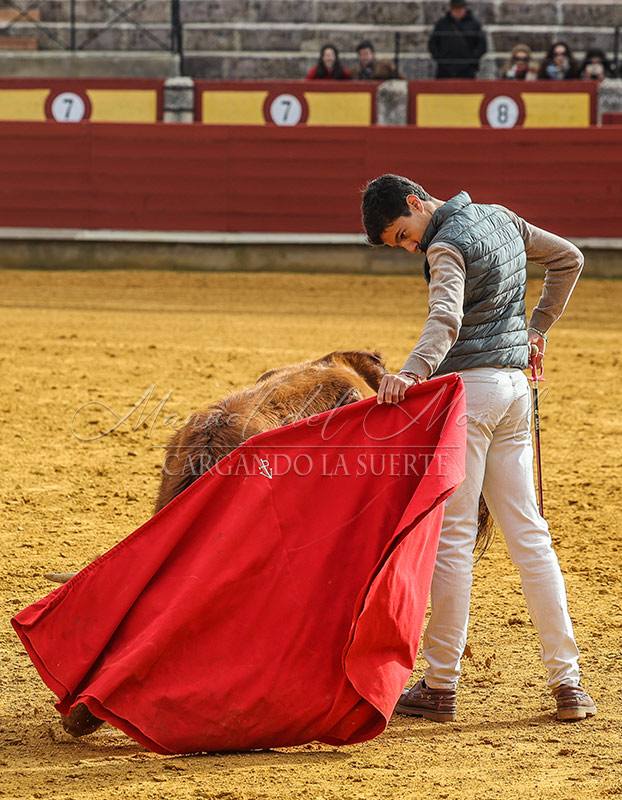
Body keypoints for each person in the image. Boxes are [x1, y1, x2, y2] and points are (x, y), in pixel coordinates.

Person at [361, 173, 596, 723]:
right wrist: (537, 329)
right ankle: (569, 683)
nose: (410, 247)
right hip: (515, 390)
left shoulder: (444, 244)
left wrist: (410, 372)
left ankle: (441, 684)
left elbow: (445, 318)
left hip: (472, 395)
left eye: (403, 234)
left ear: (417, 202)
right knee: (530, 536)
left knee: (454, 540)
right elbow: (569, 258)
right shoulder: (501, 217)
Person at [428, 0, 487, 79]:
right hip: (444, 70)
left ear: (464, 9)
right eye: (455, 9)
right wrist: (441, 59)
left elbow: (481, 45)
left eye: (460, 9)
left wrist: (471, 59)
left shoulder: (474, 24)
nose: (457, 12)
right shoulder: (442, 24)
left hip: (467, 70)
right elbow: (433, 44)